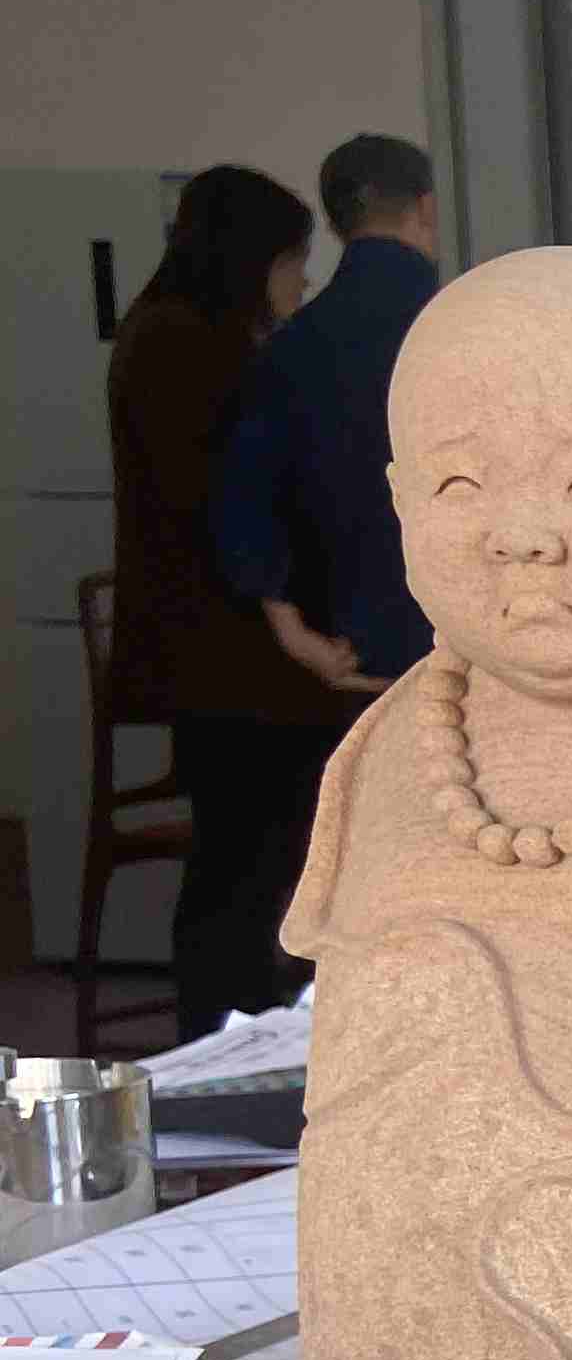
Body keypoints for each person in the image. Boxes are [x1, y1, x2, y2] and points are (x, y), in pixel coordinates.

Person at [103, 162, 339, 1036]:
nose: (301, 283)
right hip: (226, 656)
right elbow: (230, 504)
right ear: (252, 259)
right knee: (247, 860)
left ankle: (239, 1024)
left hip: (215, 652)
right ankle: (225, 1040)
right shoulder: (189, 345)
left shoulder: (170, 331)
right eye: (292, 262)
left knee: (244, 855)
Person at [210, 132, 444, 706]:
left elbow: (245, 500)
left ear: (338, 224)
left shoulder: (288, 346)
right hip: (472, 639)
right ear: (426, 208)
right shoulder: (465, 323)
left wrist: (294, 634)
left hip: (351, 649)